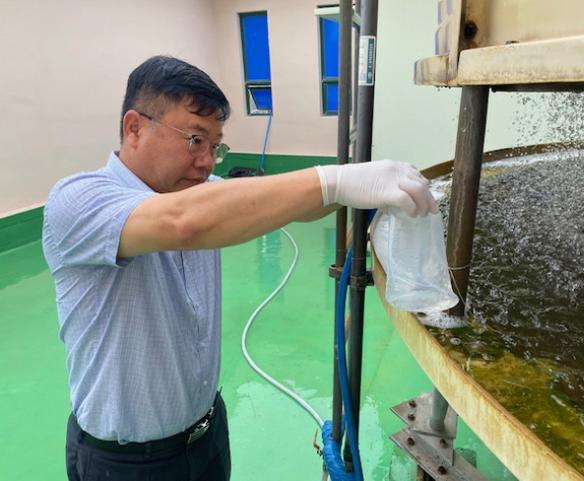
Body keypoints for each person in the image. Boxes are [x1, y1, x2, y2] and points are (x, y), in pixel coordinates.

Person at [42, 55, 438, 481]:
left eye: (215, 147)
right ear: (134, 127)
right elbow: (183, 223)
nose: (207, 161)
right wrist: (334, 180)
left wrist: (362, 185)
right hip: (126, 463)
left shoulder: (200, 192)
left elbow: (282, 203)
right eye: (195, 139)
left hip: (207, 435)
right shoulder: (78, 201)